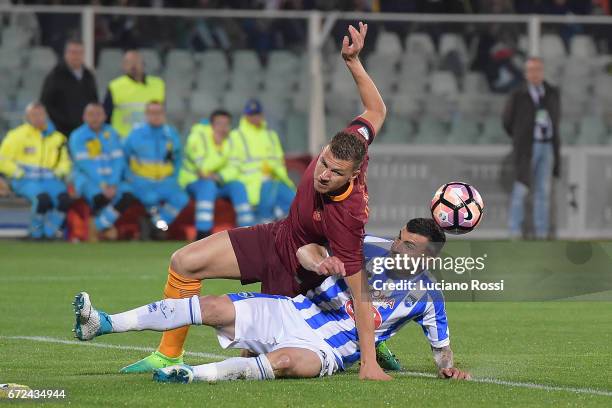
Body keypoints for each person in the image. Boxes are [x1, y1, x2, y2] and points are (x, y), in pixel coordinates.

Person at [120, 22, 392, 381]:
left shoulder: (349, 218)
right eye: (323, 161)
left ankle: (370, 344)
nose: (322, 173)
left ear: (353, 175)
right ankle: (167, 354)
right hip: (275, 236)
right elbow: (376, 111)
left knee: (254, 354)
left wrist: (368, 363)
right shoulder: (350, 141)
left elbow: (360, 294)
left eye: (334, 172)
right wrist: (353, 61)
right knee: (185, 260)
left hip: (299, 272)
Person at [72, 218, 470, 382]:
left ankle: (193, 375)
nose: (399, 249)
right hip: (294, 310)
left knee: (286, 362)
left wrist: (448, 368)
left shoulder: (428, 297)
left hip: (327, 350)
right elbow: (309, 250)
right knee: (211, 307)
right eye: (401, 239)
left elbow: (442, 350)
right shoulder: (366, 246)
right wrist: (321, 261)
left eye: (411, 247)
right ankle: (104, 322)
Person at [503, 57, 561, 239]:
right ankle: (514, 232)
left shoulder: (551, 93)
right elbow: (507, 121)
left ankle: (542, 233)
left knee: (543, 192)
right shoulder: (518, 95)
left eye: (538, 70)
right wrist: (521, 138)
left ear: (542, 72)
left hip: (547, 146)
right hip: (527, 148)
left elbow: (556, 119)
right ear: (526, 73)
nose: (535, 74)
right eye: (531, 70)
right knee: (521, 189)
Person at [178, 110, 255, 240]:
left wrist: (219, 176)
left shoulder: (232, 141)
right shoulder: (197, 137)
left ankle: (248, 232)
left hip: (218, 181)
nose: (223, 128)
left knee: (238, 186)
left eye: (226, 124)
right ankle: (203, 233)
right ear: (211, 125)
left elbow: (235, 167)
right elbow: (203, 169)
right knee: (208, 186)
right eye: (219, 124)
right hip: (193, 182)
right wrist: (220, 149)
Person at [0, 103, 71, 239]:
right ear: (27, 117)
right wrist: (18, 172)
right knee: (42, 200)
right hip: (25, 180)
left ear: (46, 116)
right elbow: (3, 160)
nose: (38, 118)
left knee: (64, 200)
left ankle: (50, 232)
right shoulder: (16, 136)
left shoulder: (58, 138)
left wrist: (60, 172)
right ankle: (35, 233)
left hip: (51, 180)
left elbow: (65, 161)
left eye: (41, 114)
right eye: (34, 115)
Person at [69, 103, 136, 241]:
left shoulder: (112, 133)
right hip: (88, 180)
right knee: (99, 198)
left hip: (113, 181)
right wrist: (103, 184)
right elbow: (85, 164)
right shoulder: (77, 136)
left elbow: (119, 161)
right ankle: (105, 229)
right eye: (91, 115)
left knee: (128, 195)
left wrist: (112, 183)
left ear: (105, 116)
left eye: (98, 114)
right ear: (84, 117)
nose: (95, 118)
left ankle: (98, 226)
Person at [123, 101, 189, 235]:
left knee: (182, 198)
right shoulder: (136, 134)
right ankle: (159, 229)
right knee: (150, 199)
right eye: (152, 113)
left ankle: (155, 225)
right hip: (142, 180)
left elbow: (177, 158)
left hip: (165, 181)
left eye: (159, 113)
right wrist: (130, 177)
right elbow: (124, 157)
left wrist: (174, 178)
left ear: (164, 114)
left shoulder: (170, 133)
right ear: (146, 115)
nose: (156, 116)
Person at [230, 99, 295, 223]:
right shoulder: (236, 136)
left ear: (262, 115)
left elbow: (279, 161)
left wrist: (275, 175)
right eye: (251, 114)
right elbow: (233, 167)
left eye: (257, 114)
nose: (255, 117)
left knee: (295, 204)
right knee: (263, 222)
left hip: (275, 180)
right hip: (251, 185)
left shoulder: (271, 135)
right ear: (245, 116)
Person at [40, 39, 99, 137]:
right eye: (72, 52)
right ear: (65, 54)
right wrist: (62, 122)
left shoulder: (89, 76)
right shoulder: (55, 76)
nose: (76, 56)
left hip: (86, 132)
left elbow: (94, 101)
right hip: (61, 132)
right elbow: (46, 104)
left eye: (79, 53)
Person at [103, 50, 165, 138]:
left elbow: (162, 114)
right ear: (123, 66)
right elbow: (106, 116)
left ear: (143, 64)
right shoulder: (115, 86)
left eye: (136, 62)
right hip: (123, 139)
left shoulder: (158, 85)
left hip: (150, 139)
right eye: (129, 62)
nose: (133, 66)